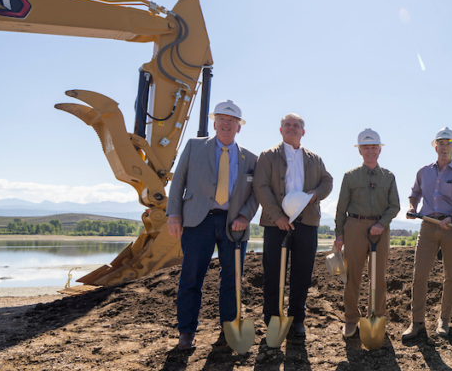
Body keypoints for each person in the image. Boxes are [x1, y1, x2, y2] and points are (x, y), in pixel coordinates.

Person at [167, 100, 259, 350]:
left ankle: (229, 328)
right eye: (221, 118)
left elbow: (256, 194)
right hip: (198, 221)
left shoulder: (251, 158)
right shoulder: (194, 147)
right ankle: (186, 332)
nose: (226, 123)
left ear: (239, 127)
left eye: (232, 121)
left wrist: (244, 216)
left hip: (234, 226)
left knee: (232, 278)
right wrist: (173, 214)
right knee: (191, 277)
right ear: (214, 122)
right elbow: (178, 182)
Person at [253, 113, 333, 341]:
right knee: (273, 274)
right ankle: (272, 320)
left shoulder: (315, 159)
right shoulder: (268, 156)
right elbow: (261, 187)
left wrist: (315, 195)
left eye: (296, 125)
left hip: (306, 223)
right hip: (275, 223)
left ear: (303, 132)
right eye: (287, 124)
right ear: (280, 130)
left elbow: (328, 181)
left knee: (302, 274)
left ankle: (297, 319)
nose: (291, 128)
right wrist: (277, 216)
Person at [403, 127, 452, 340]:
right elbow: (414, 193)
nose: (444, 147)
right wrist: (413, 208)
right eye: (441, 143)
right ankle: (417, 323)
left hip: (451, 228)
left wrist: (451, 218)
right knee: (419, 276)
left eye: (449, 143)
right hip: (427, 226)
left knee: (450, 276)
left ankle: (444, 321)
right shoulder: (423, 171)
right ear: (436, 146)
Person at [333, 128, 400, 339]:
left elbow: (394, 205)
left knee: (378, 275)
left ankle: (377, 316)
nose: (370, 151)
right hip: (354, 227)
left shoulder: (388, 177)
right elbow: (340, 208)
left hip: (380, 230)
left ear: (379, 150)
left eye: (374, 147)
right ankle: (351, 319)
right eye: (366, 148)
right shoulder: (350, 177)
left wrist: (382, 223)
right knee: (352, 276)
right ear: (360, 151)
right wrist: (339, 235)